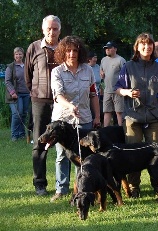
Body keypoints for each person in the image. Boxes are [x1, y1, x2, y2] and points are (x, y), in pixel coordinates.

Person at [115, 33, 158, 198]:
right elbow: (117, 88)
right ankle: (134, 187)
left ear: (153, 47)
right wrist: (127, 92)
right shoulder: (128, 66)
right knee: (133, 155)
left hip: (154, 116)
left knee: (157, 153)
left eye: (150, 45)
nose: (147, 47)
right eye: (143, 44)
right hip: (133, 117)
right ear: (137, 47)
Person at [50, 35, 101, 201]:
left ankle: (80, 188)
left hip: (84, 118)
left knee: (82, 156)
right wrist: (70, 106)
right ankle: (61, 189)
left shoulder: (88, 70)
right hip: (63, 120)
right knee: (62, 155)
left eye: (75, 50)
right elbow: (58, 96)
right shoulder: (56, 72)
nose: (72, 53)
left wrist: (98, 116)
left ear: (80, 52)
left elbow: (93, 94)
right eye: (69, 50)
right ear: (63, 53)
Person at [25, 15, 61, 196]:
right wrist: (37, 93)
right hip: (40, 101)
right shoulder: (34, 48)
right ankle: (40, 183)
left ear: (59, 31)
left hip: (62, 103)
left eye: (55, 29)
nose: (51, 32)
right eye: (49, 28)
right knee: (40, 142)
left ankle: (64, 185)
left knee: (66, 143)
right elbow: (27, 76)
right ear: (43, 29)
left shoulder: (65, 48)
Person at [5, 47, 31, 142]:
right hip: (16, 95)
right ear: (14, 55)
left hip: (26, 94)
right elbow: (7, 81)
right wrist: (13, 93)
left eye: (20, 54)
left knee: (24, 114)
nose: (18, 56)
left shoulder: (26, 66)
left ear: (23, 55)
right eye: (16, 54)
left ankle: (21, 134)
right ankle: (14, 135)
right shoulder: (10, 67)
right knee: (17, 114)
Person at [100, 41, 126, 126]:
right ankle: (105, 131)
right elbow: (101, 70)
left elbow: (126, 75)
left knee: (119, 112)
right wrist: (101, 73)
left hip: (118, 91)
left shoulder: (120, 60)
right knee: (106, 111)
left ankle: (121, 131)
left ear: (115, 49)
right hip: (107, 91)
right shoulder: (103, 60)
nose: (107, 50)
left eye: (109, 48)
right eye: (106, 48)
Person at [87, 51, 103, 122]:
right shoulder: (86, 68)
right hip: (88, 93)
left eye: (96, 57)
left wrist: (102, 88)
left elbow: (102, 80)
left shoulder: (97, 67)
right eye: (94, 57)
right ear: (89, 59)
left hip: (98, 92)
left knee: (98, 110)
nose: (96, 59)